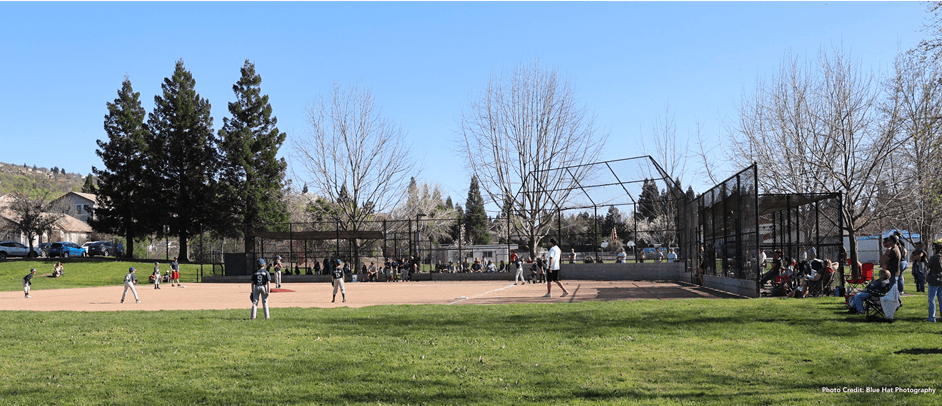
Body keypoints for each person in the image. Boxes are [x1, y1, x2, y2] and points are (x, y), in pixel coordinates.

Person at [927, 242, 942, 322]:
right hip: (941, 280)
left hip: (934, 280)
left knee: (932, 299)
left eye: (933, 249)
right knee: (941, 300)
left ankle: (932, 317)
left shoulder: (934, 257)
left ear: (935, 249)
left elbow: (928, 266)